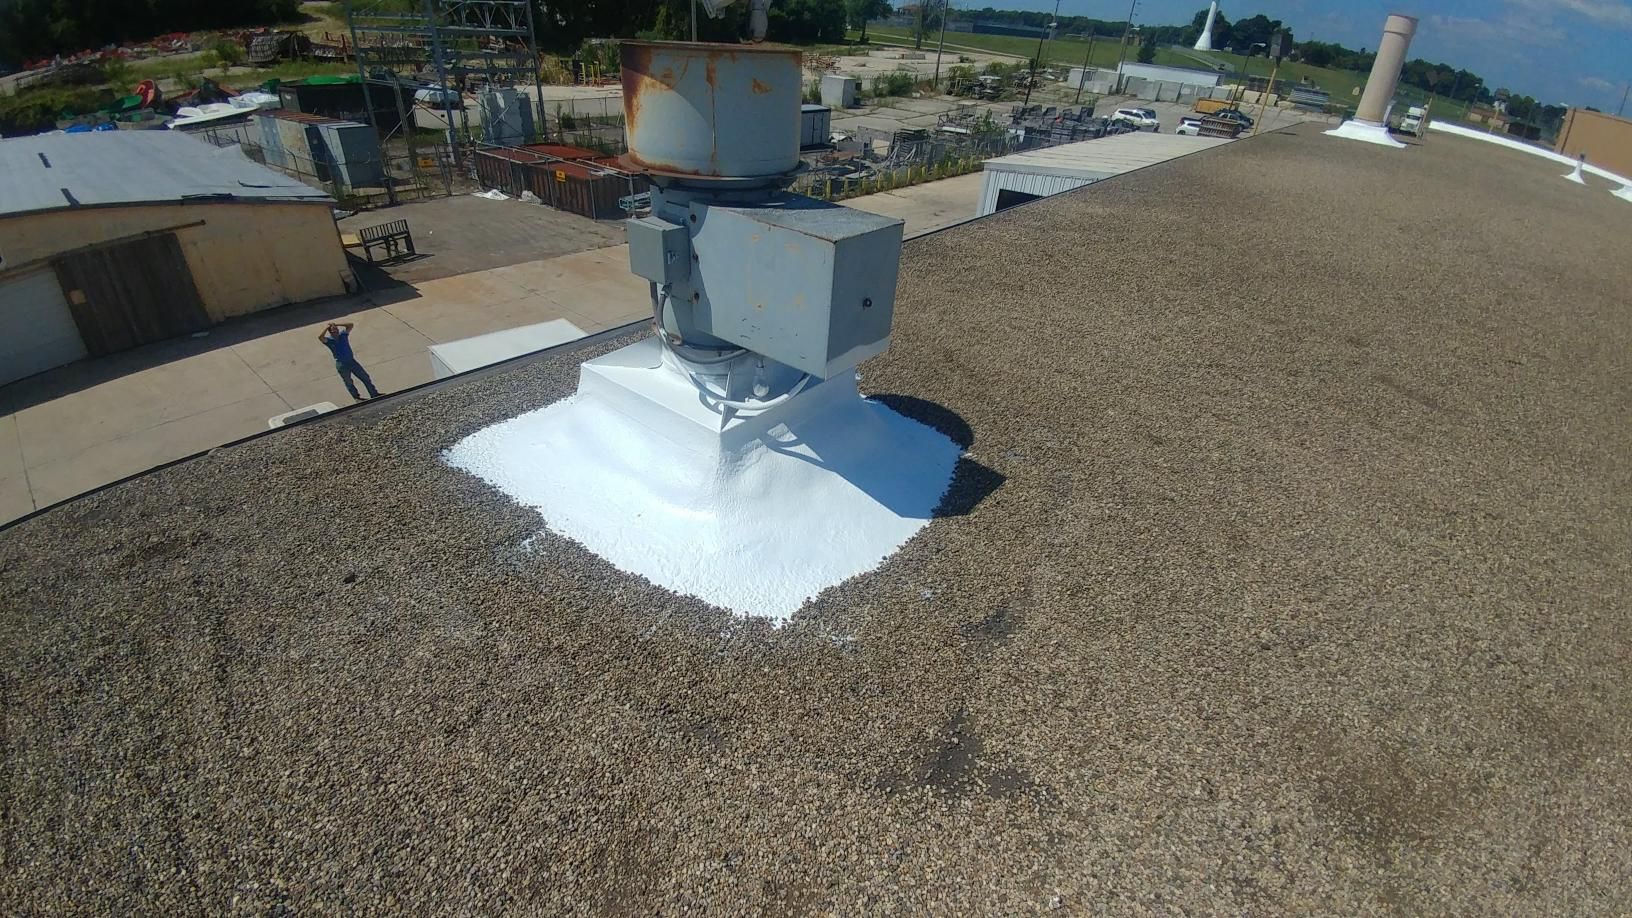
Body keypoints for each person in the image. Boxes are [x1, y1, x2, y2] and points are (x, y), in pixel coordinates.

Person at [318, 322, 381, 401]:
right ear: (330, 332)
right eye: (334, 330)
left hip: (351, 361)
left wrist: (337, 324)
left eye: (336, 329)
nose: (336, 331)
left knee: (365, 377)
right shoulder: (329, 341)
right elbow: (320, 337)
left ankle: (374, 394)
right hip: (341, 364)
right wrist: (327, 327)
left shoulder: (343, 335)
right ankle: (357, 398)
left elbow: (350, 325)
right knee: (349, 382)